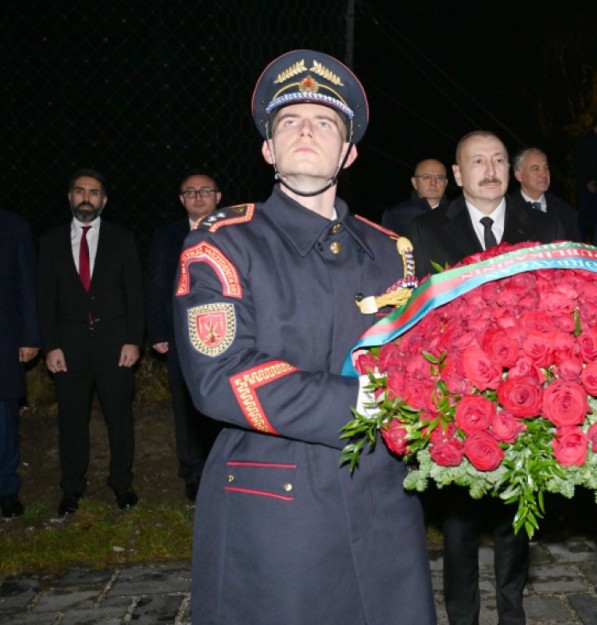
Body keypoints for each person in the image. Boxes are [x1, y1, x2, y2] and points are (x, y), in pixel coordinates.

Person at [172, 50, 435, 625]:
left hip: (384, 503)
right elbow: (219, 378)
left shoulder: (391, 252)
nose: (306, 131)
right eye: (289, 121)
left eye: (325, 122)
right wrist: (366, 403)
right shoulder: (223, 243)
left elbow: (423, 361)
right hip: (276, 509)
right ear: (268, 149)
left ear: (349, 152)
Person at [406, 130, 562, 625]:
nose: (490, 170)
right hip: (457, 396)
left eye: (497, 160)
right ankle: (462, 616)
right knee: (459, 522)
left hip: (524, 389)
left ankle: (512, 613)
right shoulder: (425, 231)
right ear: (457, 174)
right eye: (477, 162)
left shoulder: (543, 226)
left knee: (516, 516)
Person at [38, 169, 143, 515]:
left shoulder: (122, 238)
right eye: (80, 191)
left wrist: (133, 340)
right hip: (68, 349)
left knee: (119, 418)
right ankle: (71, 488)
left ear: (104, 201)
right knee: (71, 421)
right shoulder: (51, 241)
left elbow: (135, 294)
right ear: (70, 196)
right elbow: (45, 299)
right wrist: (51, 345)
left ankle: (122, 483)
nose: (87, 198)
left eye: (94, 192)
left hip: (115, 346)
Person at [146, 171, 222, 501]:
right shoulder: (167, 236)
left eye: (205, 190)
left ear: (218, 196)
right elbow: (156, 285)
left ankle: (226, 468)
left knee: (225, 399)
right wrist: (158, 331)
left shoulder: (236, 231)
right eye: (190, 192)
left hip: (230, 334)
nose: (198, 197)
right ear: (181, 200)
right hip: (181, 335)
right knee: (186, 404)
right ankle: (193, 472)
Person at [0, 209, 40, 518]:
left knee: (3, 420)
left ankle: (6, 488)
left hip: (4, 339)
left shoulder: (13, 226)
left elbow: (26, 283)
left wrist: (30, 336)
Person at [508, 146, 581, 241]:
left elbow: (575, 245)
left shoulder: (563, 210)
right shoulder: (508, 211)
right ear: (519, 175)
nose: (543, 174)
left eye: (546, 168)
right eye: (535, 169)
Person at [380, 158, 450, 233]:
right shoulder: (396, 215)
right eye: (426, 177)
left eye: (439, 177)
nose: (433, 183)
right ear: (414, 182)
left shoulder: (456, 214)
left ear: (445, 183)